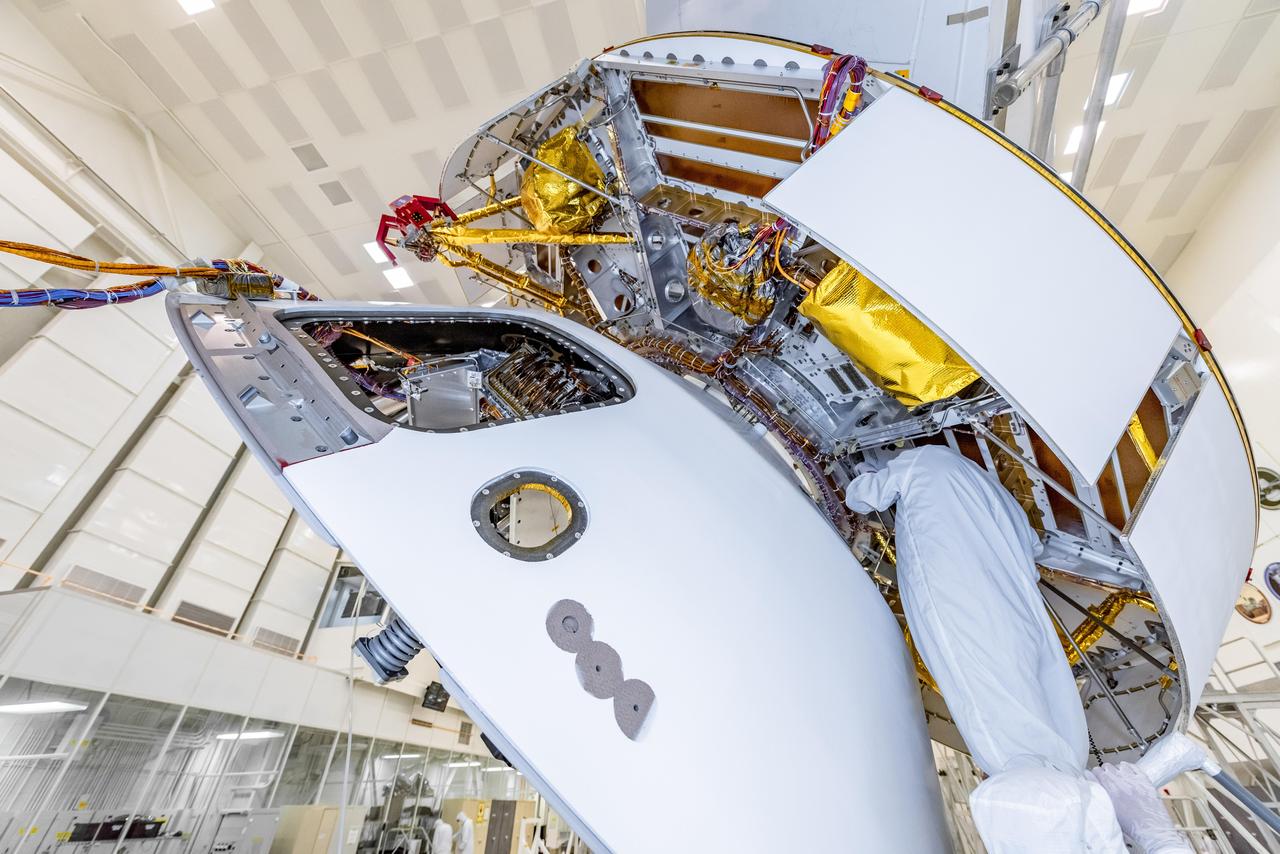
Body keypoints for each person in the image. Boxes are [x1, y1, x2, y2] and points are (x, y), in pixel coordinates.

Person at [845, 445, 1125, 852]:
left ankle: (1045, 795)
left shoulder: (920, 461)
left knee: (988, 691)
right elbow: (1030, 545)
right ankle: (1061, 793)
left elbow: (861, 496)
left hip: (959, 594)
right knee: (1025, 690)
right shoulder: (987, 486)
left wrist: (865, 472)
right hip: (1014, 611)